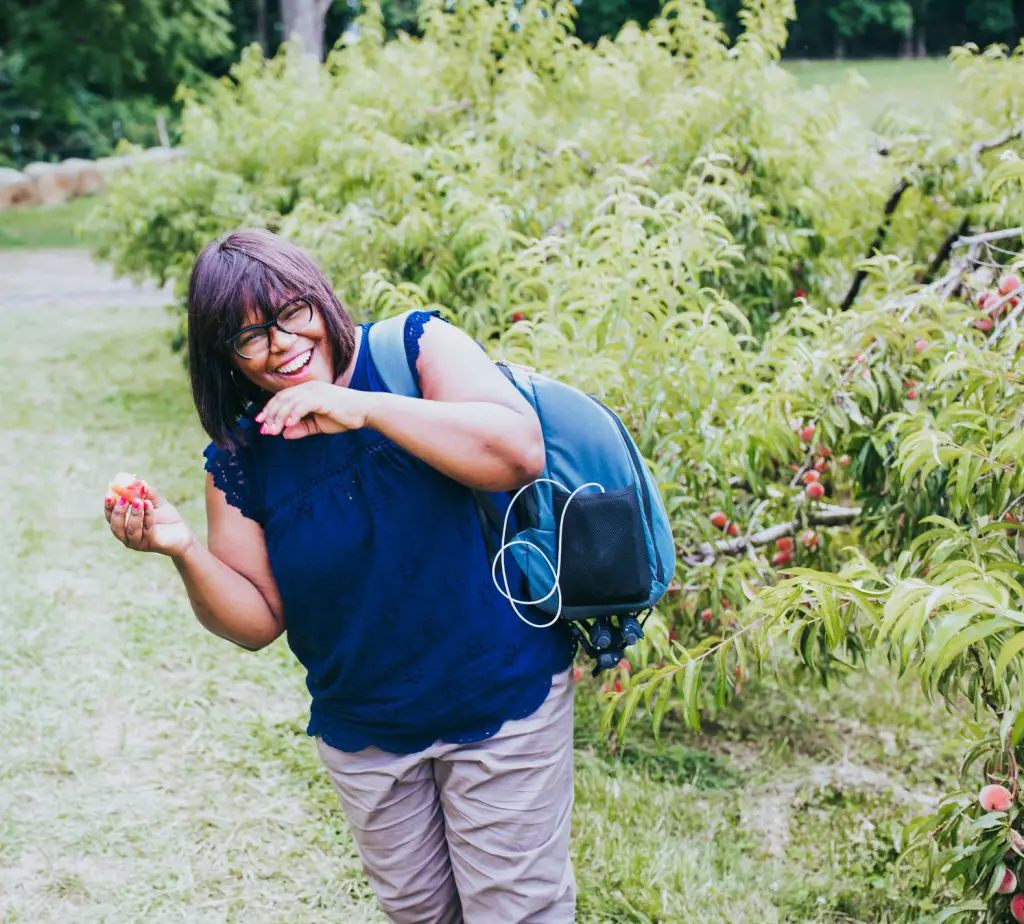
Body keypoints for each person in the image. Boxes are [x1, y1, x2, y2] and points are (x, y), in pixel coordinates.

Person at [102, 228, 578, 923]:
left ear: (319, 298)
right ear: (224, 357)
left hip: (498, 696)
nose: (280, 344)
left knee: (516, 912)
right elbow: (258, 621)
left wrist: (367, 408)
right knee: (418, 913)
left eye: (291, 312)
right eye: (248, 336)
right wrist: (183, 551)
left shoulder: (414, 351)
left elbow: (517, 451)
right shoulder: (242, 456)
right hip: (367, 730)